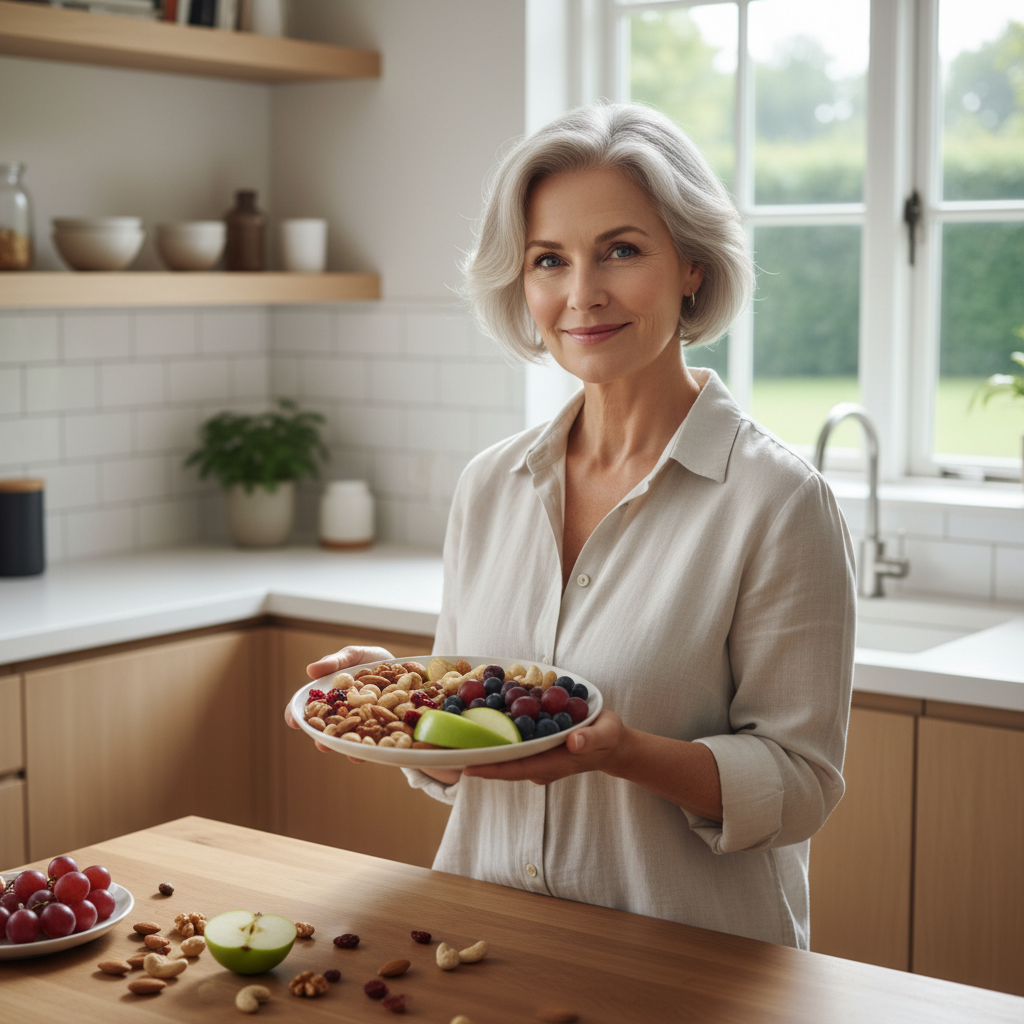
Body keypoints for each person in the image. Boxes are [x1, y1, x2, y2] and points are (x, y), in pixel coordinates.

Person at [289, 103, 856, 950]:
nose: (581, 293)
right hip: (481, 944)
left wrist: (619, 752)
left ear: (692, 265)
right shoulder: (491, 485)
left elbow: (801, 785)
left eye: (621, 250)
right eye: (549, 259)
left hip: (686, 966)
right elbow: (468, 757)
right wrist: (406, 695)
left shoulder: (777, 502)